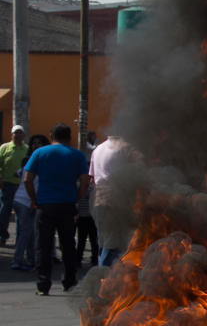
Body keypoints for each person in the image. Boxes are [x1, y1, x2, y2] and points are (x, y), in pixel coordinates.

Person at [23, 123, 89, 295]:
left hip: (45, 205)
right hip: (67, 205)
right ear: (69, 136)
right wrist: (76, 199)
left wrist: (34, 199)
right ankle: (69, 281)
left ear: (51, 135)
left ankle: (43, 285)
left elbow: (27, 179)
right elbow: (85, 181)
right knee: (68, 245)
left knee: (43, 246)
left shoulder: (39, 152)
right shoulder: (77, 155)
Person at [88, 135, 139, 267]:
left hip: (98, 199)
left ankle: (101, 276)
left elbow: (93, 179)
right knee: (113, 245)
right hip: (116, 200)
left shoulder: (98, 149)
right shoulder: (124, 147)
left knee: (103, 242)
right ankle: (103, 279)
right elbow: (138, 173)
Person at [10, 135, 48, 271]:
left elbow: (18, 173)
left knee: (28, 232)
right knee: (26, 233)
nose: (36, 146)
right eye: (35, 143)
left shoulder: (31, 161)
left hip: (20, 200)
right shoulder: (41, 162)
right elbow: (28, 180)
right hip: (27, 201)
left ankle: (30, 260)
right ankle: (17, 261)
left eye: (39, 143)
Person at [0, 124, 28, 247]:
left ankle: (19, 239)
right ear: (12, 135)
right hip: (6, 185)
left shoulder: (27, 149)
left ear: (24, 135)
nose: (18, 135)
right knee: (4, 212)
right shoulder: (4, 148)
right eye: (15, 132)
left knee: (20, 215)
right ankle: (3, 236)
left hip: (21, 187)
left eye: (20, 132)